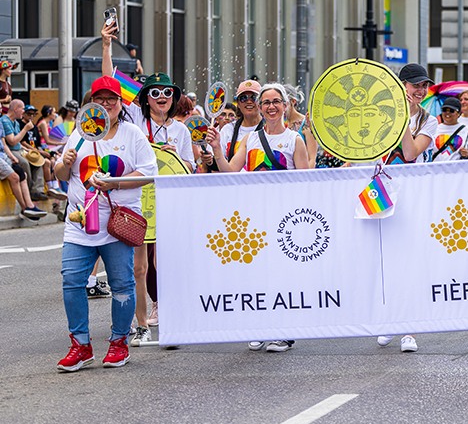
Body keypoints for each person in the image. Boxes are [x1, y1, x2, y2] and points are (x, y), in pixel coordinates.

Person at [54, 75, 157, 372]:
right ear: (91, 103)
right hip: (79, 221)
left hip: (116, 223)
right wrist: (66, 162)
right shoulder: (78, 133)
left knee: (122, 284)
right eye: (99, 99)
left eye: (111, 99)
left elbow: (149, 173)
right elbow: (62, 175)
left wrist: (116, 184)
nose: (106, 104)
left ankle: (118, 343)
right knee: (72, 281)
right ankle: (81, 346)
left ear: (120, 103)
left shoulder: (132, 134)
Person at [101, 22, 194, 344]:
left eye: (168, 92)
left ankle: (165, 306)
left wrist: (175, 157)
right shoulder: (135, 121)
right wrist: (106, 46)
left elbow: (190, 169)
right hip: (138, 198)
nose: (162, 97)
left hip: (167, 199)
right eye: (155, 93)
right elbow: (109, 85)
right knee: (139, 265)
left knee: (164, 259)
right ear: (145, 99)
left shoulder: (181, 131)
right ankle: (139, 319)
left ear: (174, 98)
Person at [207, 83, 309, 353]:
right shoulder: (250, 139)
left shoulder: (294, 140)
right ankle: (259, 327)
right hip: (255, 216)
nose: (271, 106)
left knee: (283, 275)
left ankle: (284, 331)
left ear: (286, 106)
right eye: (266, 102)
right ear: (261, 108)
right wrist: (218, 148)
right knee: (256, 274)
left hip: (284, 217)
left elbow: (305, 183)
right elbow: (230, 171)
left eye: (276, 101)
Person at [375, 63, 438, 353]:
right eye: (415, 85)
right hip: (380, 189)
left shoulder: (429, 121)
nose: (420, 91)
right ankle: (389, 319)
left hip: (412, 192)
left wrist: (399, 118)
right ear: (402, 85)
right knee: (384, 258)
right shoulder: (379, 113)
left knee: (410, 259)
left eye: (424, 86)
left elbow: (412, 152)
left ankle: (409, 328)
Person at [0, 118, 46, 220]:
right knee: (15, 177)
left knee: (22, 174)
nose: (0, 110)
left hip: (3, 155)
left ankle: (30, 206)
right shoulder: (4, 120)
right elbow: (11, 142)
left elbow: (3, 144)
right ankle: (25, 209)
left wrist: (11, 156)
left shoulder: (0, 122)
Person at [2, 99, 46, 200]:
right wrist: (25, 129)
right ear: (16, 109)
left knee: (38, 160)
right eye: (22, 109)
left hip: (19, 149)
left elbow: (18, 142)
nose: (24, 111)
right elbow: (12, 142)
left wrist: (29, 150)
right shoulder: (4, 121)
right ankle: (29, 191)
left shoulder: (16, 123)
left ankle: (37, 190)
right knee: (25, 163)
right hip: (10, 151)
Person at [283, 84, 319, 168]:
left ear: (293, 101)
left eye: (284, 102)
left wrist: (305, 178)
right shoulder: (278, 123)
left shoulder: (306, 123)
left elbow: (312, 159)